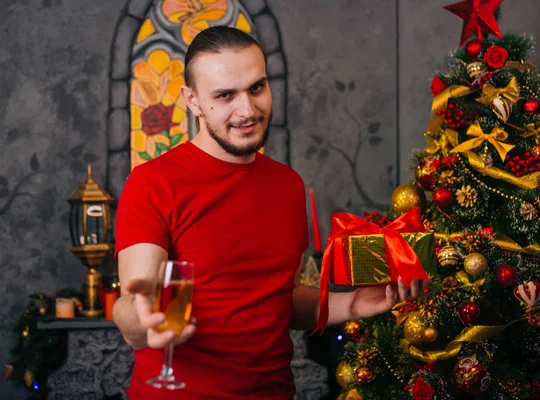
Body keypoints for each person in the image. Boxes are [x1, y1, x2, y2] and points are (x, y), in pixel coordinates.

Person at [113, 26, 425, 400]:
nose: (247, 110)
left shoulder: (287, 184)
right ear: (192, 100)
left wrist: (354, 304)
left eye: (256, 88)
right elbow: (134, 301)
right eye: (225, 95)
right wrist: (140, 321)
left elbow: (280, 299)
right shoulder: (152, 182)